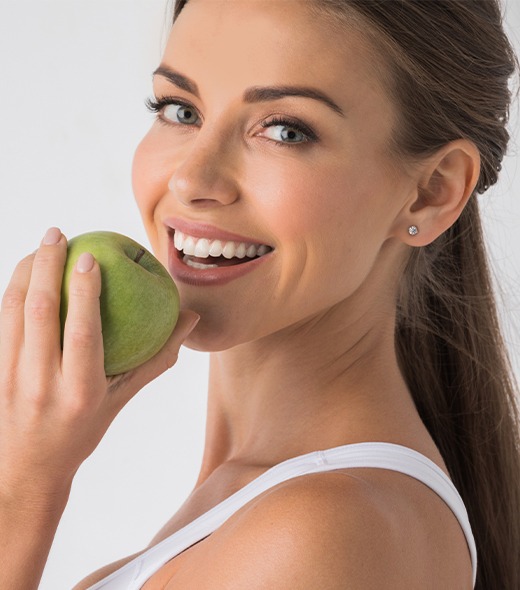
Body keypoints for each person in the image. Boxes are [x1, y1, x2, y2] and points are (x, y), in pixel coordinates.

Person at [1, 0, 519, 588]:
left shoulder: (321, 532)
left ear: (432, 191)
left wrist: (22, 488)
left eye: (285, 130)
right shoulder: (277, 507)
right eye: (180, 109)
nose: (191, 181)